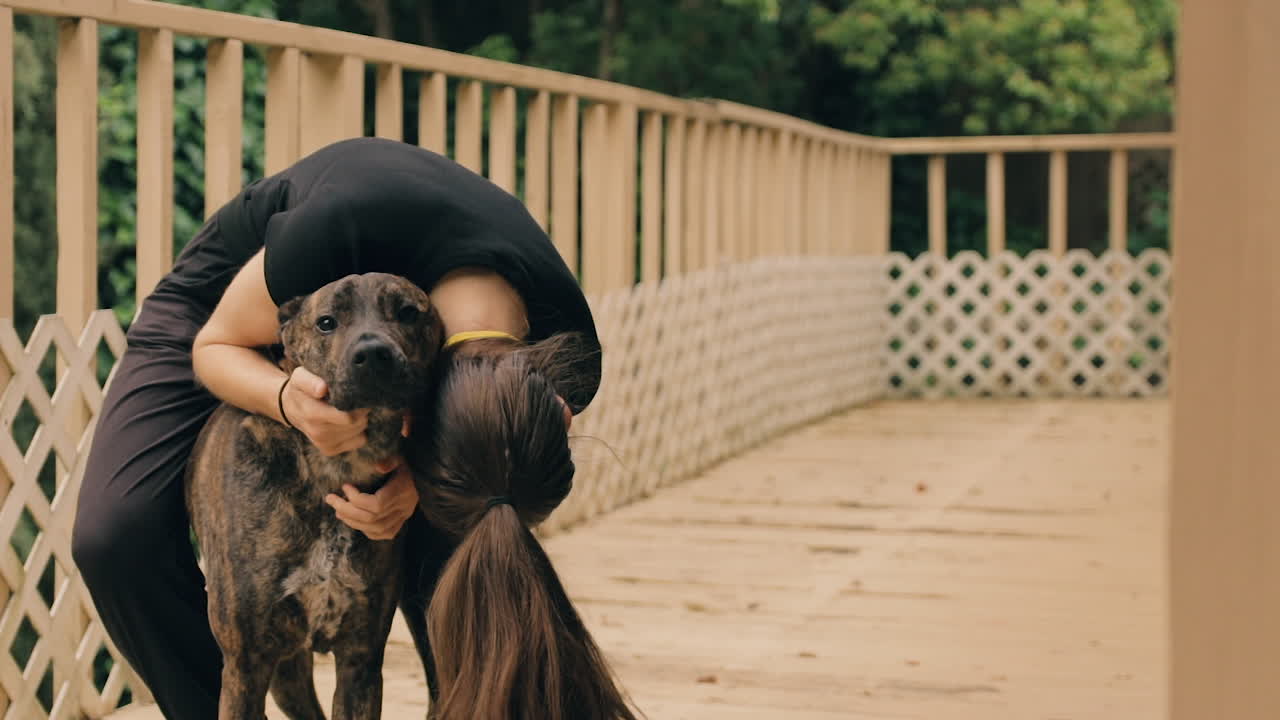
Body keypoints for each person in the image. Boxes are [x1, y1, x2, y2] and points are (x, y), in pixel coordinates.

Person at [70, 137, 633, 719]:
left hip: (396, 340)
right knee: (115, 538)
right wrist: (287, 399)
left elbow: (490, 467)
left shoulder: (568, 356)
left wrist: (417, 484)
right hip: (227, 313)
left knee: (463, 523)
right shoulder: (329, 232)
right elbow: (216, 344)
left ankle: (477, 703)